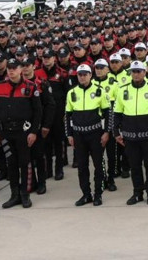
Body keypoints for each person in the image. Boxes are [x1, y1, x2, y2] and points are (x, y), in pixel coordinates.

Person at [0, 58, 42, 209]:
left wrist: (33, 132)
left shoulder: (31, 87)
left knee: (24, 163)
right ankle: (14, 194)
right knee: (11, 164)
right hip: (5, 133)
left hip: (24, 133)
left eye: (14, 68)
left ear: (20, 70)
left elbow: (38, 112)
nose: (11, 71)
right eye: (9, 68)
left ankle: (25, 194)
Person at [112, 61, 148, 205]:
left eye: (138, 71)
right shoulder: (122, 90)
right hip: (129, 137)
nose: (135, 74)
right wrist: (116, 132)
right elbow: (116, 113)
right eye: (133, 71)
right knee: (134, 167)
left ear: (144, 72)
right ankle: (137, 193)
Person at [65, 64, 109, 206]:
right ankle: (86, 194)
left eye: (85, 74)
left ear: (90, 75)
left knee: (98, 165)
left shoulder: (99, 91)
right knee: (82, 166)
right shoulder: (71, 93)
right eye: (80, 74)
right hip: (79, 135)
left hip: (95, 134)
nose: (82, 77)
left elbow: (108, 114)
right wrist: (69, 135)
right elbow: (67, 115)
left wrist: (107, 132)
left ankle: (98, 194)